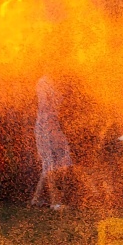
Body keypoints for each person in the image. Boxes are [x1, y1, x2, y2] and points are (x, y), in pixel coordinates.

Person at [31, 76, 73, 210]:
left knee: (54, 163)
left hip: (52, 125)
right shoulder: (44, 82)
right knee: (50, 165)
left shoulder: (54, 83)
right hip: (46, 127)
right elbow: (45, 107)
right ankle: (55, 202)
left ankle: (36, 199)